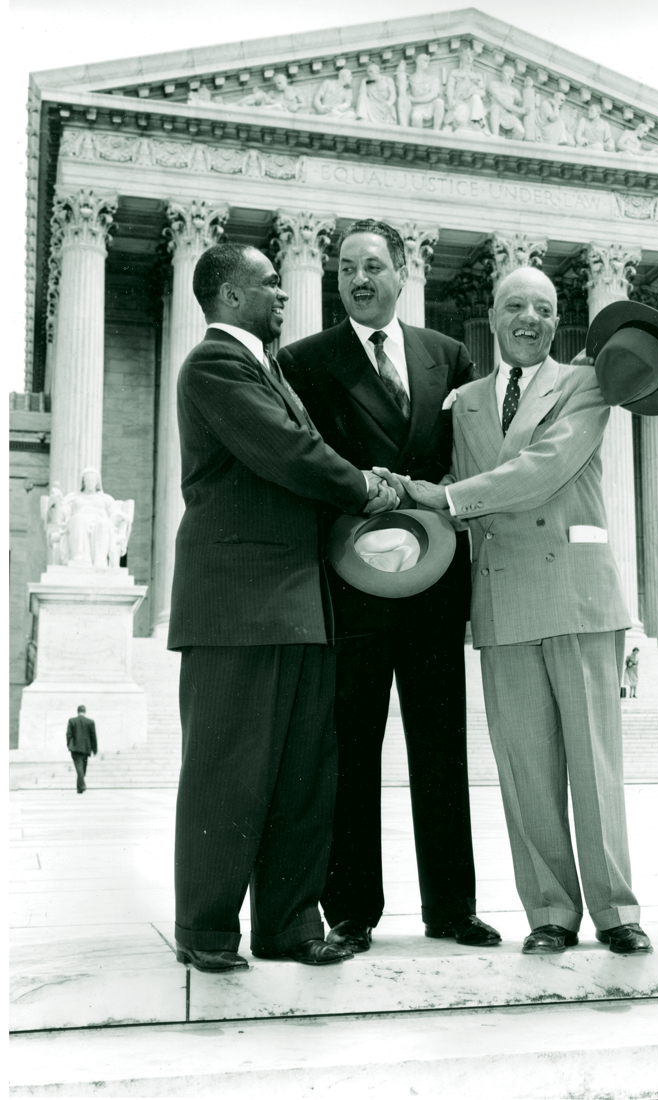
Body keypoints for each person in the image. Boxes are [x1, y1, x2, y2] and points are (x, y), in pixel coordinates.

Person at [378, 267, 653, 958]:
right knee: (525, 768)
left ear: (556, 322)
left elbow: (542, 468)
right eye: (514, 307)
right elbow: (455, 485)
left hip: (578, 594)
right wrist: (405, 496)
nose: (527, 319)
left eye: (542, 308)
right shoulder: (464, 401)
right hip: (501, 598)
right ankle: (551, 912)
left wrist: (443, 499)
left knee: (594, 763)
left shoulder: (587, 386)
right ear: (493, 320)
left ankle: (616, 910)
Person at [168, 242, 398, 975]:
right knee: (228, 770)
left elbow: (301, 447)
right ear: (232, 297)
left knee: (305, 773)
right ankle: (206, 929)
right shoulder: (213, 365)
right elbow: (288, 452)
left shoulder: (265, 368)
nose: (285, 294)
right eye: (271, 284)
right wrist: (364, 487)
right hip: (237, 604)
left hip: (297, 599)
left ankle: (289, 925)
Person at [277, 219, 500, 955]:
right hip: (354, 582)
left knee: (441, 745)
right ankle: (350, 912)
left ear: (404, 273)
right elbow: (306, 463)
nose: (359, 278)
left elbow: (471, 462)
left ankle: (452, 907)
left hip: (434, 581)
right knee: (352, 748)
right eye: (346, 268)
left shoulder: (450, 355)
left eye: (373, 265)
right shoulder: (307, 360)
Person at [66, 705, 97, 794]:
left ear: (77, 711)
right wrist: (94, 749)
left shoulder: (72, 721)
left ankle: (80, 787)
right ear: (85, 711)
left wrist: (69, 745)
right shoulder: (90, 722)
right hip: (86, 749)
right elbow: (93, 736)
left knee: (80, 769)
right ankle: (81, 786)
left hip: (75, 749)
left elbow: (68, 734)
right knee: (82, 768)